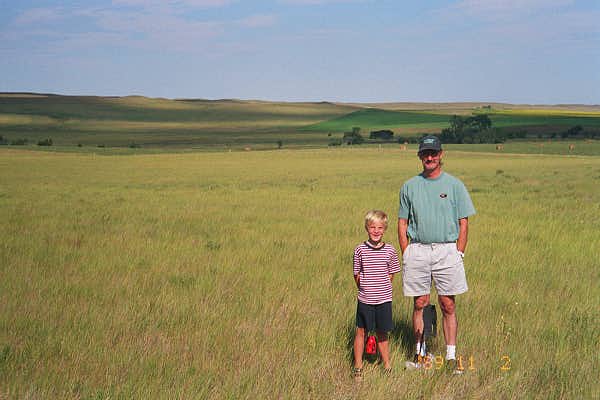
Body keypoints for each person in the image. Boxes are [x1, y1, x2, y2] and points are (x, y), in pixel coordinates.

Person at [398, 135, 475, 373]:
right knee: (420, 302)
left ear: (441, 154)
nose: (429, 157)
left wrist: (459, 253)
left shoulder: (455, 185)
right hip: (418, 250)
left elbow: (464, 223)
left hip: (447, 251)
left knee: (447, 304)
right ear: (420, 156)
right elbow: (402, 223)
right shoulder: (409, 186)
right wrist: (407, 251)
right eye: (424, 154)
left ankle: (451, 357)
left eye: (433, 153)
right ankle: (420, 355)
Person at [352, 210, 400, 380]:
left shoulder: (390, 250)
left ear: (385, 229)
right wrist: (366, 288)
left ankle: (386, 364)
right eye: (372, 227)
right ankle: (358, 366)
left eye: (380, 227)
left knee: (382, 333)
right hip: (365, 299)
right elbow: (356, 274)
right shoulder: (359, 250)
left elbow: (392, 273)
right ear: (367, 228)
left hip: (384, 299)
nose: (376, 231)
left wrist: (382, 288)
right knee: (361, 332)